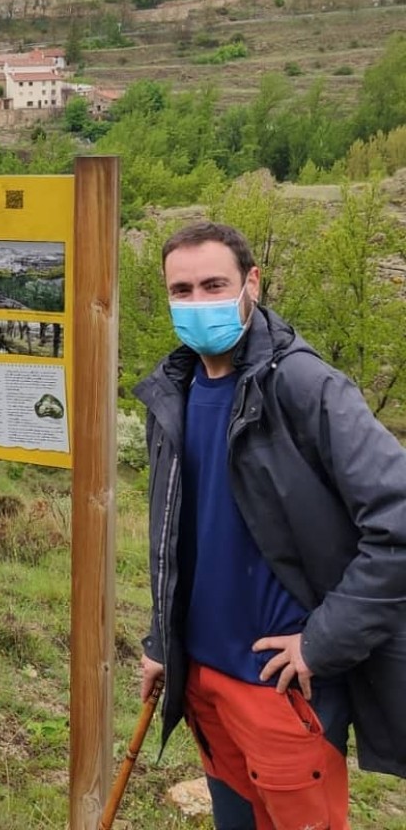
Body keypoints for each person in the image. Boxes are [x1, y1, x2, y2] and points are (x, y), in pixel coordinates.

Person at [136, 220, 406, 830]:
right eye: (182, 290)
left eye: (214, 284)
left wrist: (323, 643)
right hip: (202, 682)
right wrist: (163, 641)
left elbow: (397, 520)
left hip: (281, 693)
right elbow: (178, 536)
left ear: (251, 283)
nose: (198, 303)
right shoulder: (170, 394)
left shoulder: (306, 387)